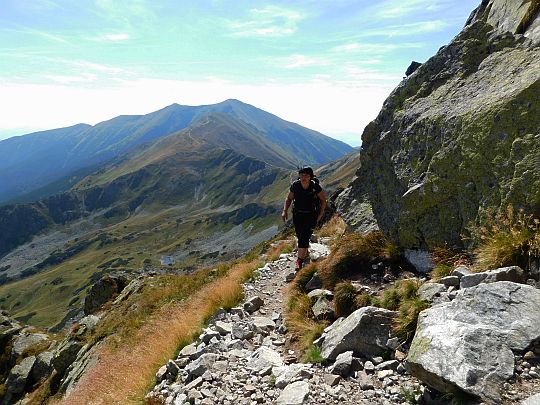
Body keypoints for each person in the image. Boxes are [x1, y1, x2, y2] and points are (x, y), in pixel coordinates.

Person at [281, 166, 327, 270]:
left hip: (311, 215)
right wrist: (284, 211)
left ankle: (299, 261)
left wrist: (320, 214)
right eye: (302, 175)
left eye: (306, 175)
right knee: (300, 235)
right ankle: (304, 253)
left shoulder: (315, 187)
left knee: (304, 237)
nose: (303, 177)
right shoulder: (295, 185)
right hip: (298, 214)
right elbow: (289, 198)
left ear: (311, 176)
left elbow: (324, 201)